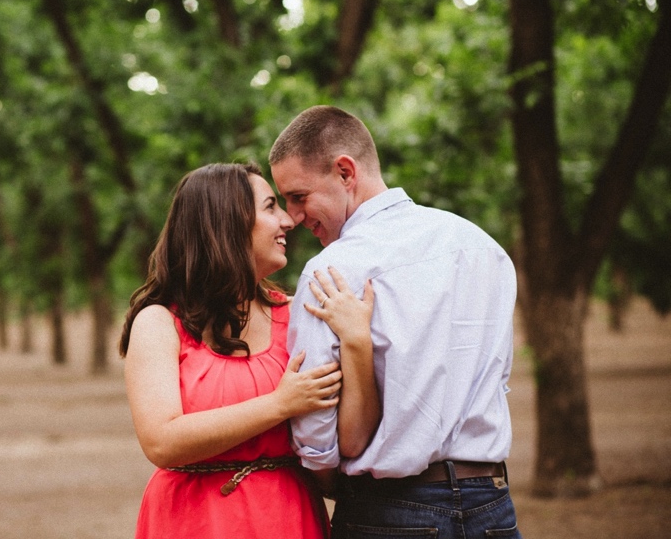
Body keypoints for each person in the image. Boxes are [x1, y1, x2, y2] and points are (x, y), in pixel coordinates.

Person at [269, 105, 522, 539]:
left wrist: (337, 484)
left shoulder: (331, 272)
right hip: (493, 506)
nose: (292, 218)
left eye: (298, 197)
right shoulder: (484, 249)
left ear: (345, 172)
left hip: (388, 512)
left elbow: (315, 428)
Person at [119, 162, 379, 538]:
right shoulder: (159, 322)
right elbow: (162, 441)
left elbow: (344, 437)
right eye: (271, 207)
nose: (288, 221)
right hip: (193, 520)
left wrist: (358, 344)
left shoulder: (298, 314)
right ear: (226, 222)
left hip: (288, 516)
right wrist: (281, 404)